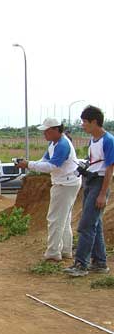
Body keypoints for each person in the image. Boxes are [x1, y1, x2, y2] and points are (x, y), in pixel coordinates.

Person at [17, 118, 82, 262]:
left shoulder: (62, 145)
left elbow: (52, 166)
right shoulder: (54, 143)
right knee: (63, 218)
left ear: (56, 130)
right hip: (66, 182)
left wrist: (29, 164)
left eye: (46, 131)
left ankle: (53, 252)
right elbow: (44, 161)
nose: (44, 134)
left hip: (65, 184)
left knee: (55, 219)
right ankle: (65, 250)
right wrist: (29, 164)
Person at [64, 105, 114, 277]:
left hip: (99, 183)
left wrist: (102, 194)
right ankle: (100, 262)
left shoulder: (108, 140)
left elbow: (109, 169)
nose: (83, 125)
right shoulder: (93, 140)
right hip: (91, 181)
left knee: (86, 226)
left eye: (85, 122)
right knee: (95, 224)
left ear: (94, 122)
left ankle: (81, 264)